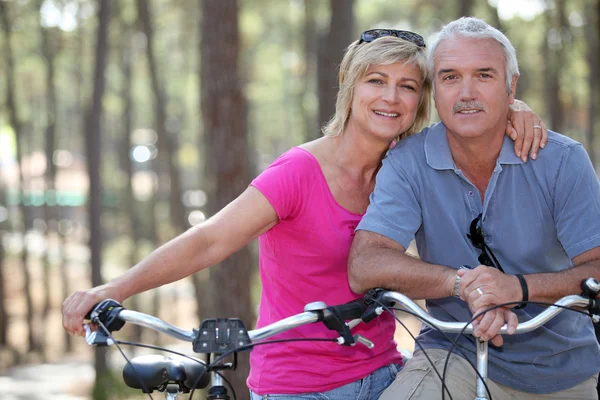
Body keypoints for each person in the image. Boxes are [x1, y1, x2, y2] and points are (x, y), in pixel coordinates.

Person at [63, 28, 545, 399]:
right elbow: (210, 239)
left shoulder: (410, 166)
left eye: (407, 86)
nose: (390, 98)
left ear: (420, 100)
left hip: (386, 375)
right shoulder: (298, 171)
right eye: (375, 81)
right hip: (296, 386)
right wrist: (114, 289)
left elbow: (471, 108)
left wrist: (514, 108)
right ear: (349, 86)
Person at [348, 17, 600, 400]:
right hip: (452, 352)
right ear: (436, 92)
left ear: (511, 86)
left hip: (560, 368)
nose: (466, 92)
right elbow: (364, 264)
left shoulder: (563, 160)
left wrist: (514, 288)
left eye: (483, 75)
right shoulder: (407, 162)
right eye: (450, 77)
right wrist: (465, 286)